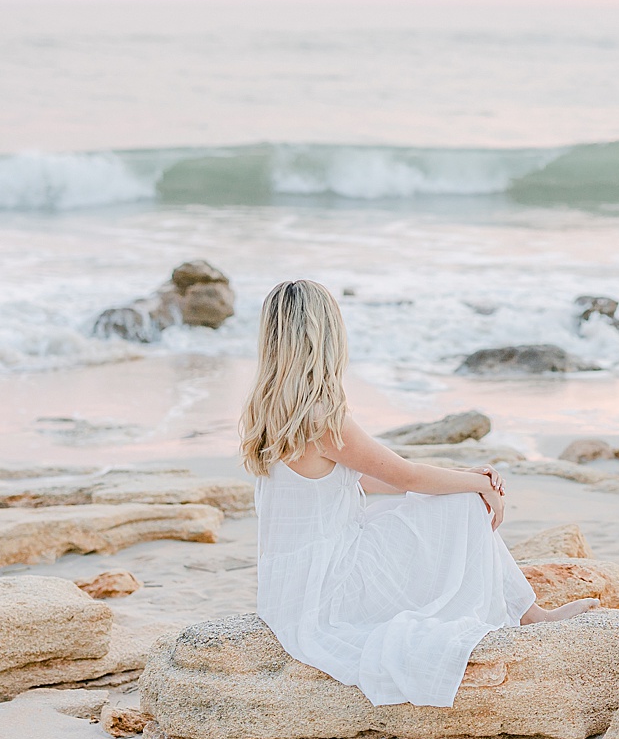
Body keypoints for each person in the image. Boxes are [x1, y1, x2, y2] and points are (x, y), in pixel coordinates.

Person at [240, 279, 597, 708]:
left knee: (448, 499)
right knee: (460, 503)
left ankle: (529, 613)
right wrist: (480, 484)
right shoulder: (322, 416)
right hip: (329, 586)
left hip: (295, 583)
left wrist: (460, 477)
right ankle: (529, 616)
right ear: (327, 336)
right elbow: (408, 476)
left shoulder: (270, 409)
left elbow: (362, 480)